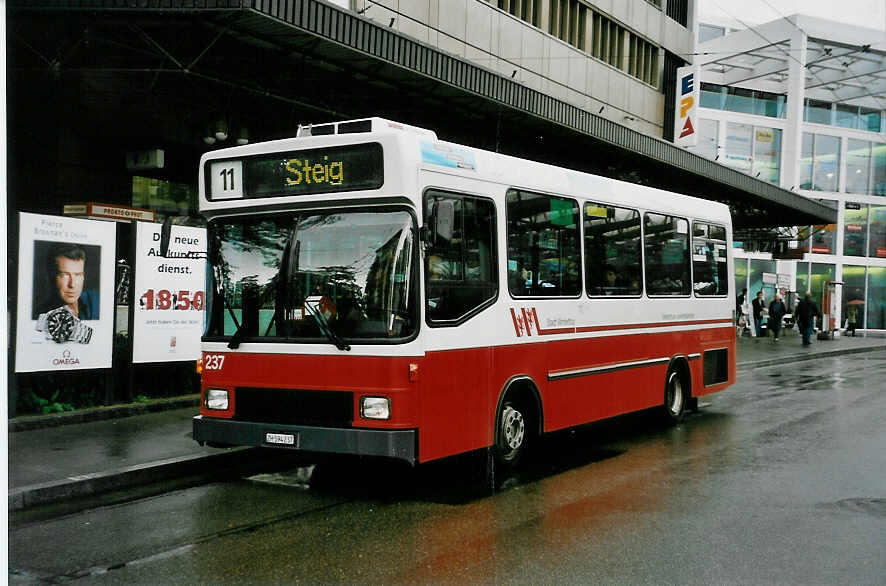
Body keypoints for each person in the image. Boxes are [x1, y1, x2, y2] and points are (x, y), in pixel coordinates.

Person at [39, 244, 100, 320]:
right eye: (64, 275)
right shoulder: (41, 316)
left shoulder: (96, 302)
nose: (72, 284)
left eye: (77, 275)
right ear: (50, 277)